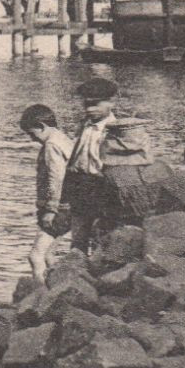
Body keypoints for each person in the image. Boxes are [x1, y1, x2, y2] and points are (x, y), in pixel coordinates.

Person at [18, 104, 74, 284]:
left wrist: (51, 209)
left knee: (36, 256)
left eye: (32, 133)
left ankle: (40, 297)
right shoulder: (63, 139)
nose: (32, 139)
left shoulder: (51, 146)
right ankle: (58, 289)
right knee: (49, 254)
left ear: (42, 126)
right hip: (69, 206)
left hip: (58, 208)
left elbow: (56, 178)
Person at [62, 77, 119, 252]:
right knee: (78, 240)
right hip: (80, 186)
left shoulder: (116, 130)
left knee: (100, 239)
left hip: (103, 188)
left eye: (95, 104)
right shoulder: (84, 126)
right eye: (86, 104)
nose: (89, 109)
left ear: (112, 102)